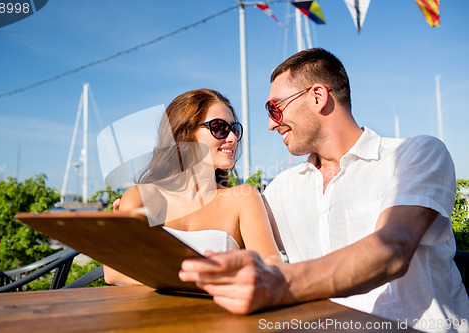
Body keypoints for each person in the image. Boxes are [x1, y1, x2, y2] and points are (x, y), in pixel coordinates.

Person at [178, 49, 469, 332]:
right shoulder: (281, 189)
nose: (270, 124)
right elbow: (222, 229)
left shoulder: (415, 155)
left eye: (274, 108)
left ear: (318, 97)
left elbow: (391, 249)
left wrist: (281, 282)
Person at [104, 88, 282, 285]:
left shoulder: (243, 198)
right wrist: (212, 277)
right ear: (185, 132)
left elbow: (272, 269)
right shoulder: (143, 196)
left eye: (235, 129)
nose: (232, 138)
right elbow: (114, 271)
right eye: (219, 127)